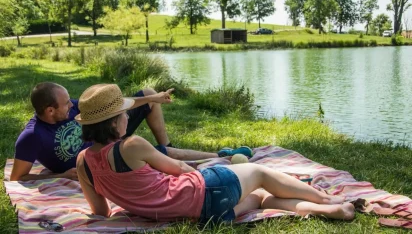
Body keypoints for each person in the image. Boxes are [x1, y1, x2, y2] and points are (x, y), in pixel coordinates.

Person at [76, 84, 355, 223]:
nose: (128, 115)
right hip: (207, 192)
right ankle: (327, 198)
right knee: (259, 173)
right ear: (114, 121)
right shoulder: (131, 145)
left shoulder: (83, 162)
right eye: (125, 112)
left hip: (203, 216)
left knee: (259, 199)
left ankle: (323, 210)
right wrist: (213, 164)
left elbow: (101, 211)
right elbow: (182, 170)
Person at [10, 82, 252, 181]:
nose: (72, 105)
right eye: (65, 104)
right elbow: (18, 178)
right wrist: (60, 176)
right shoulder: (31, 137)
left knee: (147, 94)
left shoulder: (71, 107)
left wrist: (154, 98)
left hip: (106, 140)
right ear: (50, 111)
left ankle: (221, 156)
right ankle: (224, 160)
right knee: (165, 159)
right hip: (98, 160)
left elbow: (107, 109)